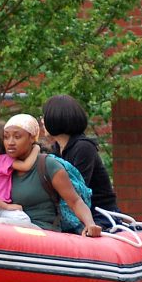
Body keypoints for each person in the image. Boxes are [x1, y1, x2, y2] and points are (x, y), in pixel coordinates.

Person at [0, 114, 102, 237]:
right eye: (6, 137)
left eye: (17, 137)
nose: (10, 142)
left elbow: (75, 201)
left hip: (42, 232)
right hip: (8, 232)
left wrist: (90, 224)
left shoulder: (48, 165)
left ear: (31, 138)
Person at [41, 94, 121, 228]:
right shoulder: (55, 150)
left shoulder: (83, 148)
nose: (42, 121)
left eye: (44, 116)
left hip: (99, 215)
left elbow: (78, 189)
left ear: (56, 118)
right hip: (70, 215)